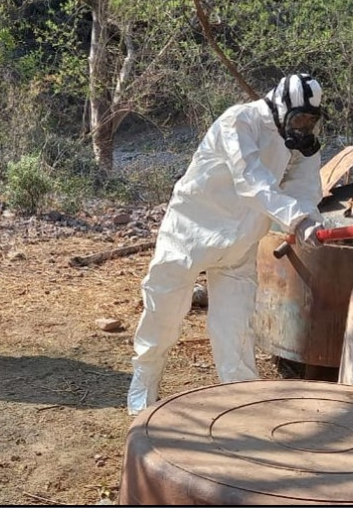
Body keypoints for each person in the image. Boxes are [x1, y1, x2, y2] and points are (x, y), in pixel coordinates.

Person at [127, 73, 327, 415]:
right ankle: (145, 379)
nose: (304, 127)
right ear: (280, 107)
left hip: (242, 242)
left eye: (311, 120)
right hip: (192, 229)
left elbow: (303, 188)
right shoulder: (239, 121)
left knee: (236, 329)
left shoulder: (300, 144)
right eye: (299, 118)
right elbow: (251, 179)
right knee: (164, 309)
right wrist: (297, 218)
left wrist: (309, 217)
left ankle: (242, 403)